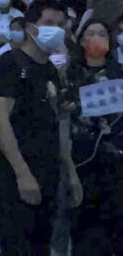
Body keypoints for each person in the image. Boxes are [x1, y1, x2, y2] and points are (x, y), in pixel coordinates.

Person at [0, 0, 81, 255]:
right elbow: (0, 120)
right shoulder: (11, 62)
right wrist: (22, 173)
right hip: (17, 169)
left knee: (41, 245)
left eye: (61, 25)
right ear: (31, 28)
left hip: (48, 167)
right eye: (49, 24)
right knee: (17, 244)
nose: (56, 30)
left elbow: (58, 122)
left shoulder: (51, 69)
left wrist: (70, 172)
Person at [58, 19, 123, 254]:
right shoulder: (69, 74)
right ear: (82, 40)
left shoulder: (119, 73)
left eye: (102, 34)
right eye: (91, 33)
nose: (96, 38)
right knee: (84, 227)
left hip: (116, 156)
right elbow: (63, 111)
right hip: (81, 158)